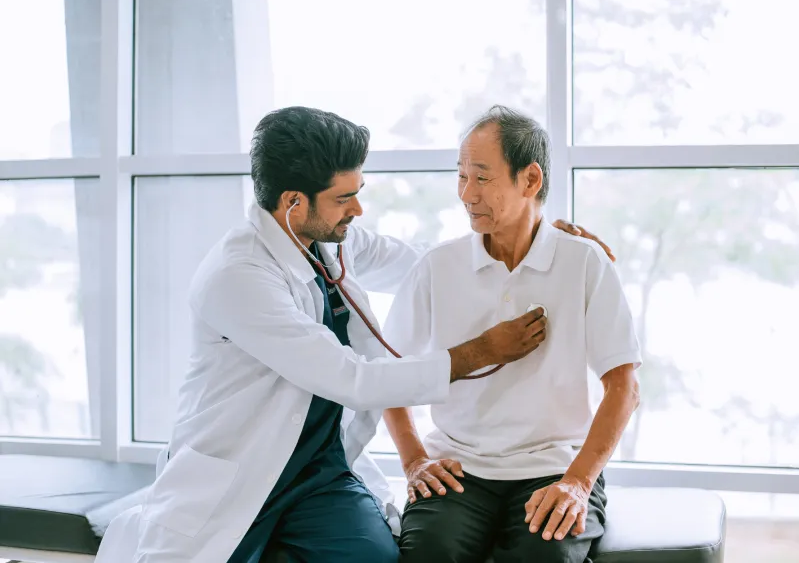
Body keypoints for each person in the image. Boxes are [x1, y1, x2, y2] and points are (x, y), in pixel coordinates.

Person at [95, 106, 612, 563]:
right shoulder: (237, 276)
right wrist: (480, 353)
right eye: (345, 198)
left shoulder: (329, 239)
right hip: (238, 471)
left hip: (318, 475)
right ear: (294, 202)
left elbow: (430, 264)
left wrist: (529, 231)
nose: (357, 211)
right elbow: (353, 379)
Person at [382, 105, 642, 563]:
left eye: (482, 178)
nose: (466, 193)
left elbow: (623, 388)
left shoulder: (584, 262)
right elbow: (388, 376)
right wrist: (414, 460)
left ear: (530, 180)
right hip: (459, 468)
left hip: (554, 464)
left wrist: (578, 482)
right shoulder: (437, 268)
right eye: (461, 176)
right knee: (427, 555)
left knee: (543, 558)